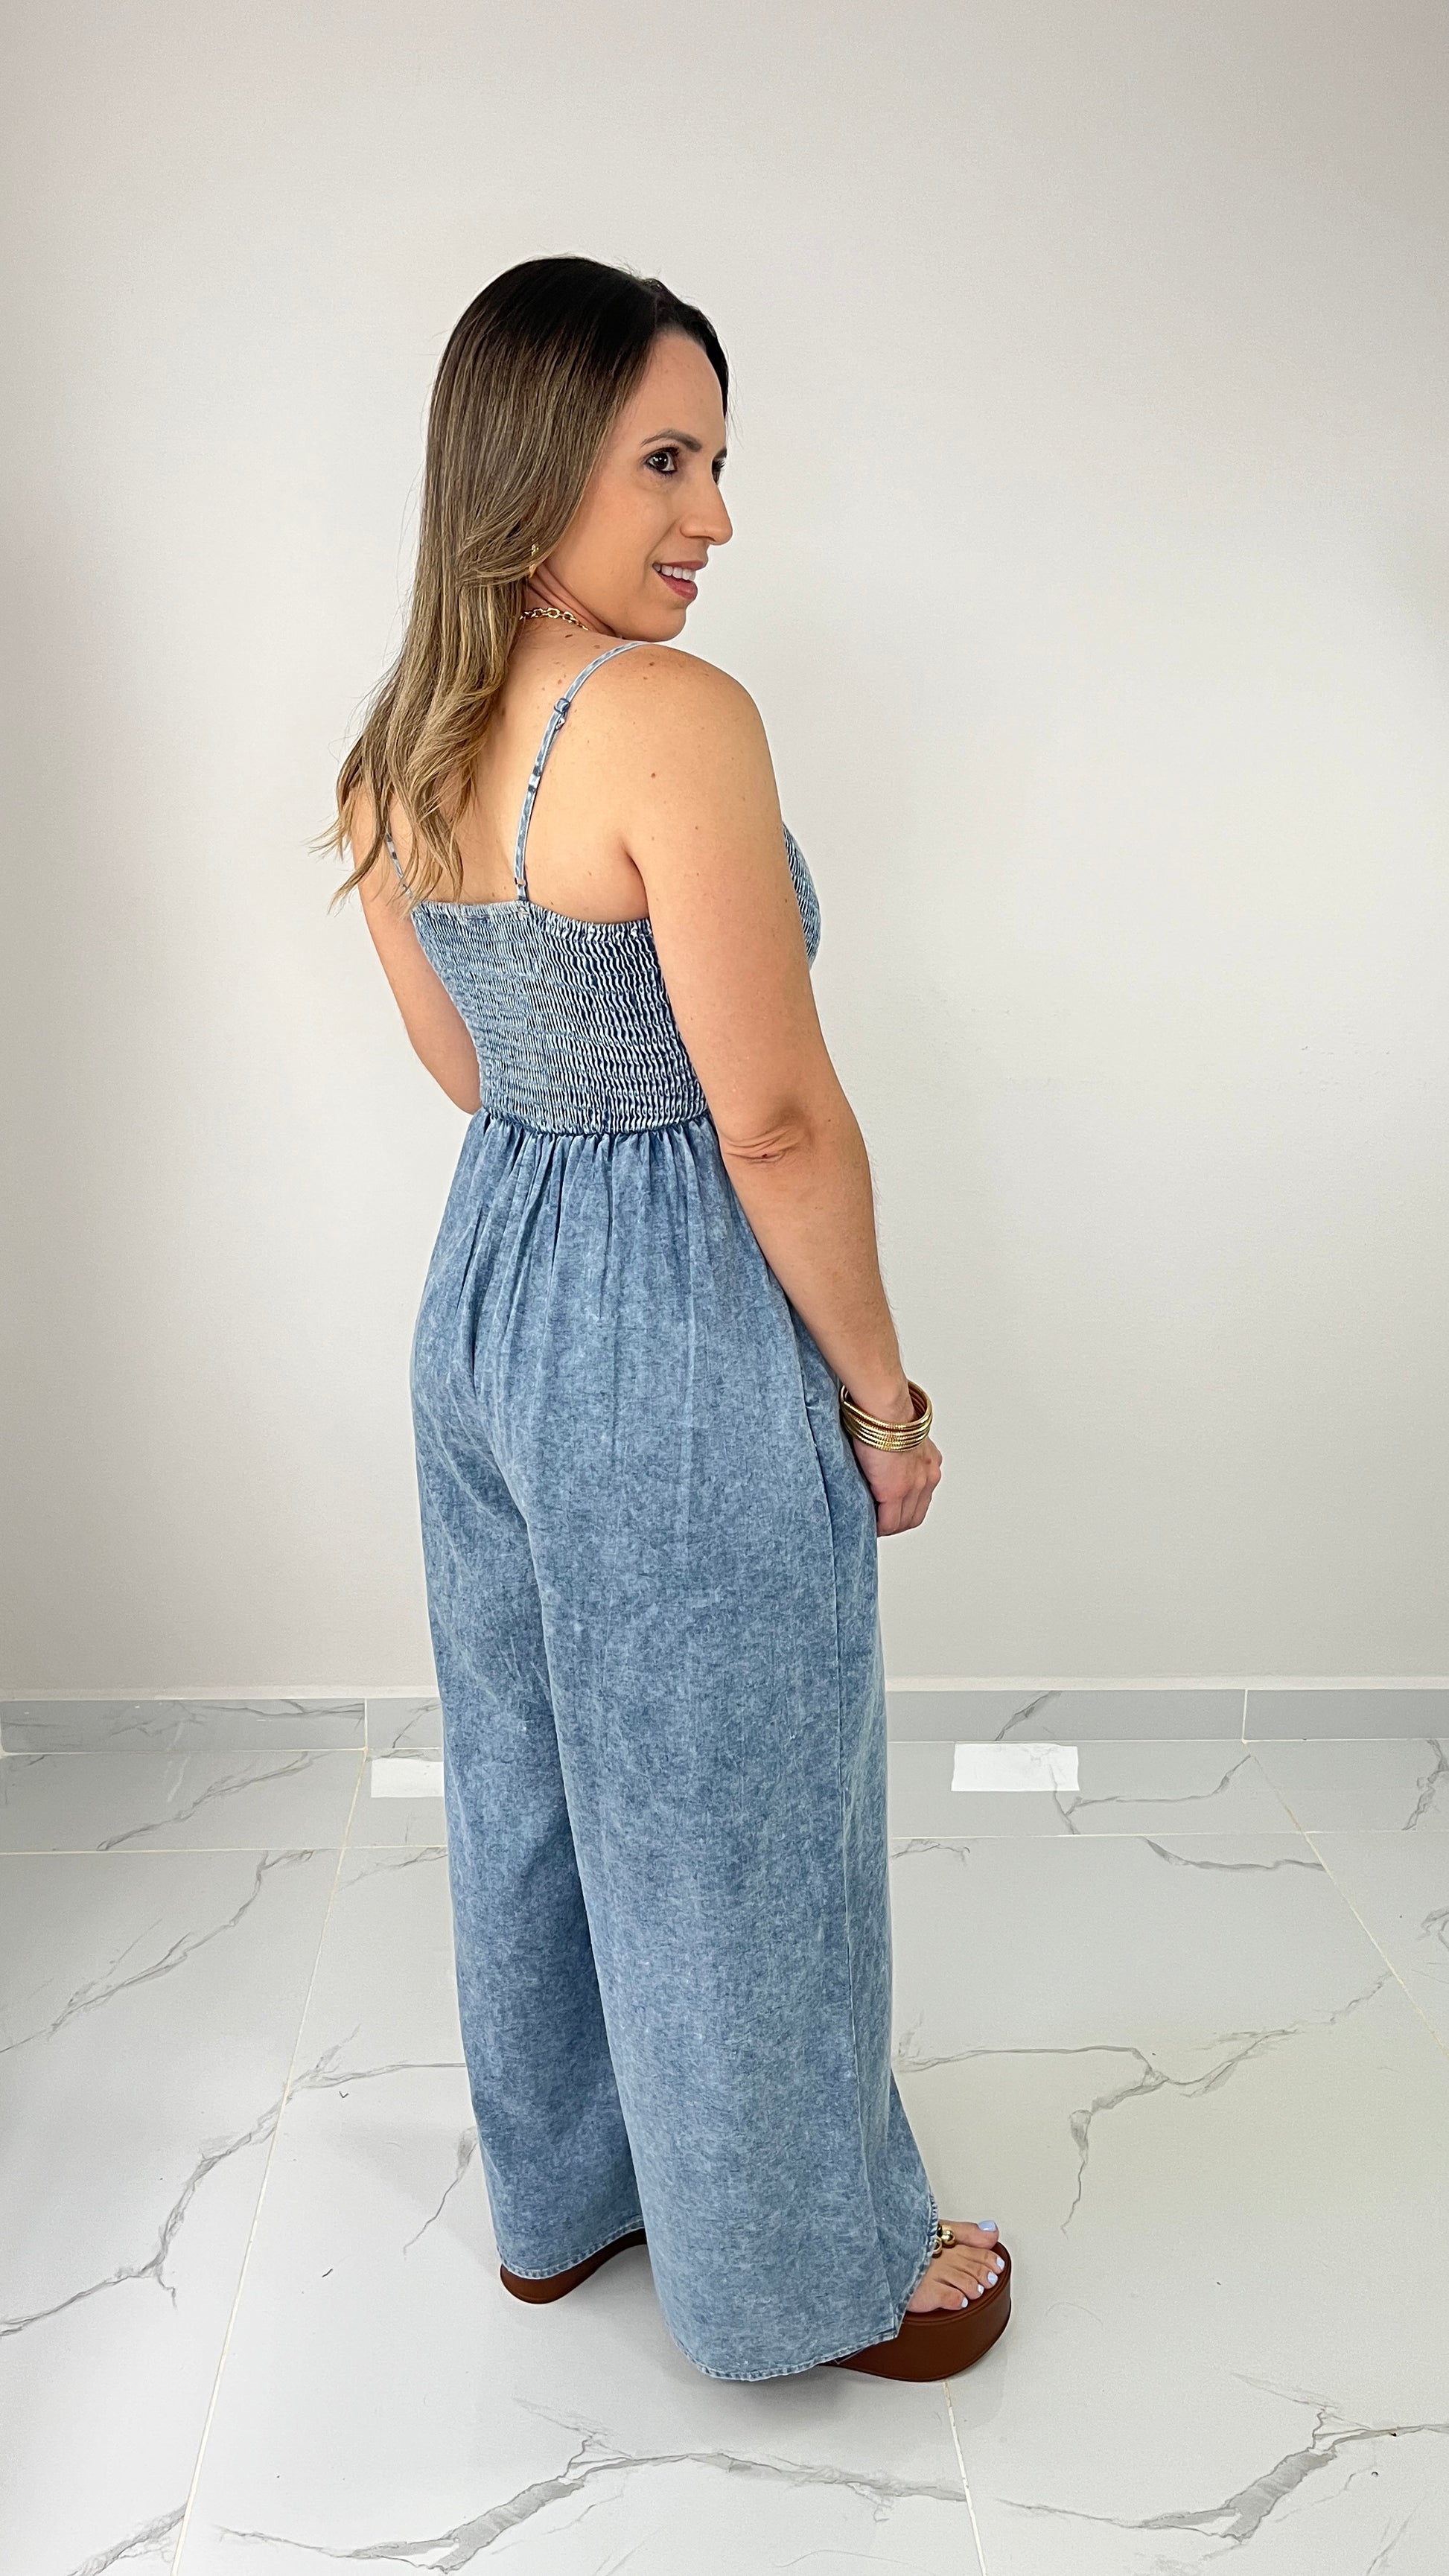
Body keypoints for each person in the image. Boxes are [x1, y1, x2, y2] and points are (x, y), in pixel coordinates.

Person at [324, 255, 1010, 2383]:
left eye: (715, 462)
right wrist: (882, 1402)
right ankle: (804, 2273)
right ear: (535, 466)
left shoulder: (396, 749)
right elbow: (775, 1121)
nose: (714, 515)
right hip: (676, 1325)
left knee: (532, 1775)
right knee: (734, 1805)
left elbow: (472, 1074)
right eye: (667, 460)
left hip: (485, 1304)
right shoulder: (670, 720)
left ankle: (563, 2205)